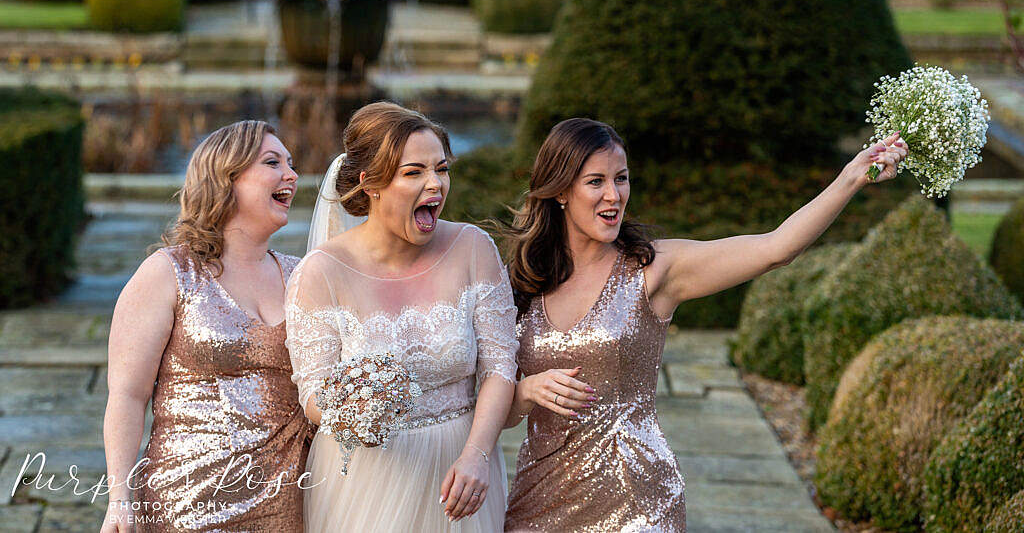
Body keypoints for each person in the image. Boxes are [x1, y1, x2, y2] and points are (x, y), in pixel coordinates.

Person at [501, 118, 907, 531]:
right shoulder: (523, 283)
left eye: (621, 178)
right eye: (596, 181)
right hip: (539, 498)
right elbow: (498, 413)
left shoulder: (653, 269)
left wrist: (851, 177)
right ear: (561, 192)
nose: (614, 195)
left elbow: (775, 249)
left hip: (634, 500)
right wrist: (526, 391)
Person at [285, 102, 518, 532]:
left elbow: (500, 367)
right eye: (414, 173)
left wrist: (477, 454)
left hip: (462, 476)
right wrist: (355, 408)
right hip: (367, 483)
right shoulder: (320, 272)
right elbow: (313, 394)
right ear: (370, 183)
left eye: (441, 169)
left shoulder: (473, 249)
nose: (435, 184)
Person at [101, 121, 311, 532]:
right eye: (273, 162)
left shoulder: (303, 277)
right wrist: (119, 500)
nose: (292, 175)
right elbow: (127, 394)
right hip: (188, 503)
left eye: (291, 163)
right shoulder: (169, 273)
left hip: (288, 505)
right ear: (225, 178)